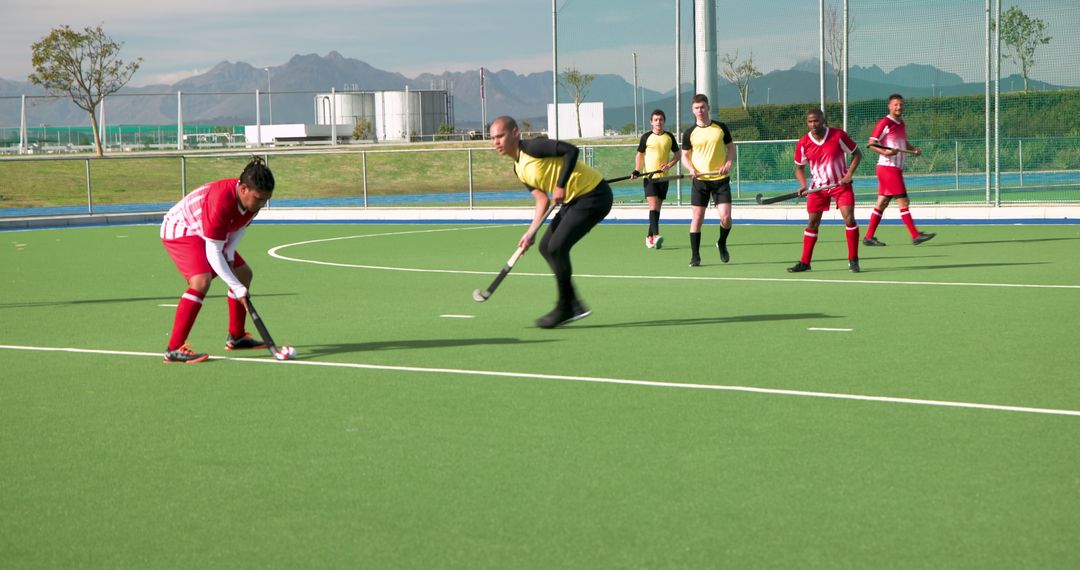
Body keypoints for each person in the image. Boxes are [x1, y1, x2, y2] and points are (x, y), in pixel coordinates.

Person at [489, 115, 613, 329]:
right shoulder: (518, 169)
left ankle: (565, 307)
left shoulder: (534, 147)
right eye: (492, 138)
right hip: (573, 202)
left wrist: (560, 184)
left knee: (557, 248)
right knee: (546, 247)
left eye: (500, 136)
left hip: (594, 195)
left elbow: (571, 151)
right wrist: (531, 233)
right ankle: (573, 304)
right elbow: (541, 200)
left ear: (515, 133)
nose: (496, 142)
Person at [159, 156, 275, 363]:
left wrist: (230, 255)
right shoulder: (221, 201)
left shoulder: (252, 203)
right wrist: (235, 287)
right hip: (182, 228)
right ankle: (174, 348)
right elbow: (213, 251)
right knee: (201, 280)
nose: (261, 204)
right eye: (258, 199)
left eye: (265, 199)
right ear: (243, 189)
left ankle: (236, 336)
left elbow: (238, 229)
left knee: (244, 274)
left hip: (207, 234)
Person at [788, 108, 864, 273]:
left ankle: (853, 259)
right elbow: (799, 168)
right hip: (818, 188)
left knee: (849, 219)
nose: (813, 124)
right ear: (807, 123)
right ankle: (805, 262)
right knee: (812, 223)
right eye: (810, 121)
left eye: (816, 121)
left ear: (823, 120)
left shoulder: (838, 135)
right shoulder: (803, 143)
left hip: (840, 186)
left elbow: (857, 154)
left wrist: (849, 174)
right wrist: (803, 185)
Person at [863, 93, 936, 247]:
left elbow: (902, 142)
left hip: (895, 168)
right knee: (903, 201)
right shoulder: (885, 122)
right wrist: (886, 152)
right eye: (895, 104)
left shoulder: (900, 123)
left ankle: (868, 237)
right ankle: (915, 235)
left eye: (901, 104)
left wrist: (913, 149)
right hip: (888, 168)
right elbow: (870, 144)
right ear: (889, 106)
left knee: (882, 203)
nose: (898, 107)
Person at [680, 94, 735, 267]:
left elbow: (731, 148)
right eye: (696, 108)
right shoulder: (689, 133)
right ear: (693, 110)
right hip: (700, 181)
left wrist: (728, 162)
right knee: (697, 217)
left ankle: (722, 243)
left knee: (726, 218)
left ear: (708, 108)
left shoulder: (721, 128)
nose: (700, 111)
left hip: (721, 180)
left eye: (702, 107)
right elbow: (685, 156)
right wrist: (691, 169)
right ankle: (695, 256)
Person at [631, 109, 680, 250]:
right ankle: (657, 235)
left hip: (663, 179)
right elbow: (639, 155)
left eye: (661, 119)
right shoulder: (646, 137)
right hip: (649, 178)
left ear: (664, 121)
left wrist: (669, 165)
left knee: (657, 209)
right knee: (653, 206)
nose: (658, 122)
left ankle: (649, 237)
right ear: (651, 122)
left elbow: (677, 155)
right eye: (656, 120)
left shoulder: (669, 137)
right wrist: (637, 170)